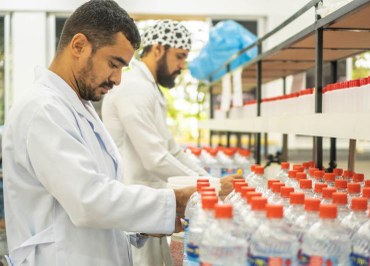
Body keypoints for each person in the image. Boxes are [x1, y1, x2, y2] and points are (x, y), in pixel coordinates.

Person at [2, 1, 201, 265]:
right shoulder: (43, 109)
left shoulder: (77, 106)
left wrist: (142, 224)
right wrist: (173, 201)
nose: (117, 79)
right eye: (113, 63)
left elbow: (94, 195)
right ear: (79, 45)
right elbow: (88, 200)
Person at [101, 20, 238, 265]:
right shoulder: (134, 89)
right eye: (180, 57)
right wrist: (214, 185)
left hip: (152, 206)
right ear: (158, 49)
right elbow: (155, 159)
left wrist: (209, 183)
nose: (182, 66)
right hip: (134, 207)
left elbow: (172, 150)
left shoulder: (150, 90)